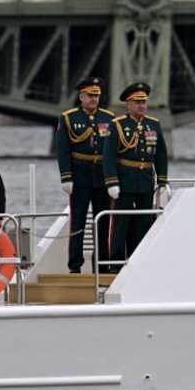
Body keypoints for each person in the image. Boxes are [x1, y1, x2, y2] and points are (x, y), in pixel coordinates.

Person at [102, 82, 168, 271]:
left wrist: (162, 179)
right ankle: (115, 262)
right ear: (128, 104)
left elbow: (160, 154)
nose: (141, 105)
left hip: (146, 180)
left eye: (144, 102)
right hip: (124, 180)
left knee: (143, 222)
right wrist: (112, 181)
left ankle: (139, 259)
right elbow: (109, 155)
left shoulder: (153, 124)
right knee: (120, 223)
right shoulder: (118, 125)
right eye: (137, 102)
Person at [55, 76, 117, 273]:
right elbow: (63, 149)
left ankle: (102, 264)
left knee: (103, 221)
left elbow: (113, 151)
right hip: (80, 175)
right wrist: (66, 176)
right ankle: (75, 265)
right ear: (81, 97)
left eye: (97, 96)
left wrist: (112, 179)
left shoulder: (109, 118)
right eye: (90, 96)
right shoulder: (69, 118)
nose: (94, 99)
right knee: (78, 221)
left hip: (101, 176)